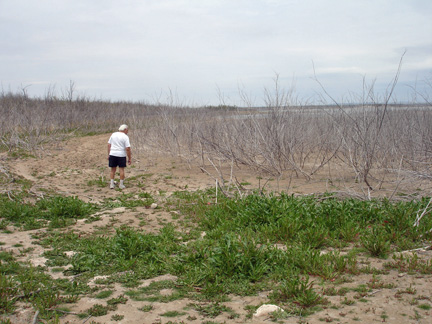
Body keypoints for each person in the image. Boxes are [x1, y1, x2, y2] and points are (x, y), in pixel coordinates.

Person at [108, 124, 131, 189]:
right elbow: (128, 148)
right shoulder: (125, 137)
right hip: (121, 155)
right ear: (125, 129)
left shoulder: (113, 134)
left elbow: (109, 145)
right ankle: (121, 184)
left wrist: (109, 154)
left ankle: (111, 184)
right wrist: (129, 158)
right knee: (121, 169)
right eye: (127, 130)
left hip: (113, 153)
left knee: (113, 170)